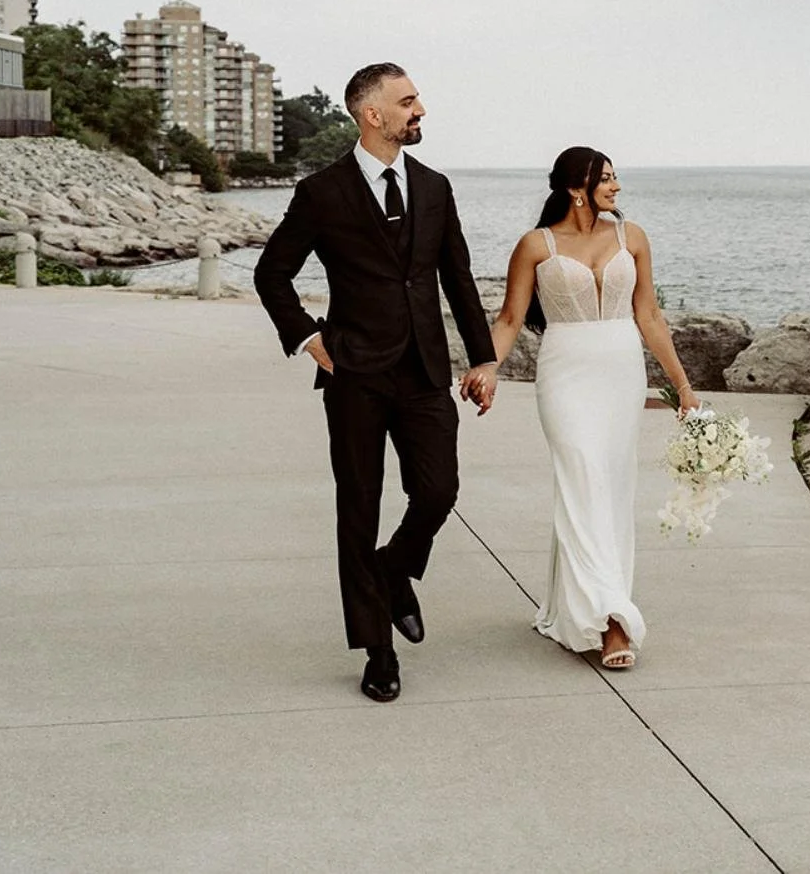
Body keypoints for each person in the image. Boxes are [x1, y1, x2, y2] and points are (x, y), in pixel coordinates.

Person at [253, 62, 499, 703]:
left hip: (424, 371)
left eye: (416, 98)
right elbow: (271, 274)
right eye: (408, 101)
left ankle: (394, 572)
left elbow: (458, 278)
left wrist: (484, 358)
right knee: (357, 509)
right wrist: (310, 340)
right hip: (355, 375)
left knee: (438, 491)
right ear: (372, 115)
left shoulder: (436, 188)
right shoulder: (323, 192)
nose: (420, 110)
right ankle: (377, 650)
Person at [468, 146, 697, 670]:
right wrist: (488, 367)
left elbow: (651, 316)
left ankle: (573, 604)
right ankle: (613, 621)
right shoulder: (535, 245)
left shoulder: (631, 237)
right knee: (581, 478)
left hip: (620, 373)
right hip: (565, 373)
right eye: (607, 180)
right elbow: (508, 319)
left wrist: (681, 385)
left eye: (617, 179)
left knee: (609, 488)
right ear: (577, 188)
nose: (617, 188)